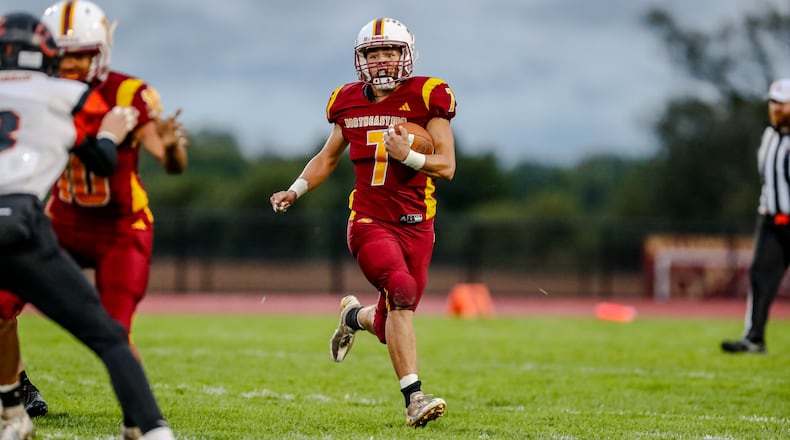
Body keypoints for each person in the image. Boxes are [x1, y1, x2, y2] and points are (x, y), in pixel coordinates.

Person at [2, 0, 189, 429]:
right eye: (64, 55)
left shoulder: (126, 93)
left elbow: (169, 161)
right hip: (63, 221)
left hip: (121, 227)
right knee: (1, 307)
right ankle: (13, 398)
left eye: (82, 54)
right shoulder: (39, 92)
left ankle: (137, 423)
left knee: (114, 330)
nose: (71, 65)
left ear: (101, 51)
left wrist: (174, 145)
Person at [269, 17, 457, 427]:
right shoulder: (347, 100)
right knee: (402, 292)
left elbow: (446, 165)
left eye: (390, 51)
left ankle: (354, 317)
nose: (383, 60)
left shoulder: (429, 95)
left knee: (392, 319)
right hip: (369, 220)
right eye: (374, 53)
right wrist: (294, 190)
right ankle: (414, 398)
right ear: (362, 60)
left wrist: (408, 155)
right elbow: (327, 158)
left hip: (418, 224)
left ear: (407, 55)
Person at [722, 78, 790, 354]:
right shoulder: (769, 137)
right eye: (772, 102)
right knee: (760, 276)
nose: (775, 108)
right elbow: (768, 181)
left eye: (781, 103)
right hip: (772, 221)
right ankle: (754, 337)